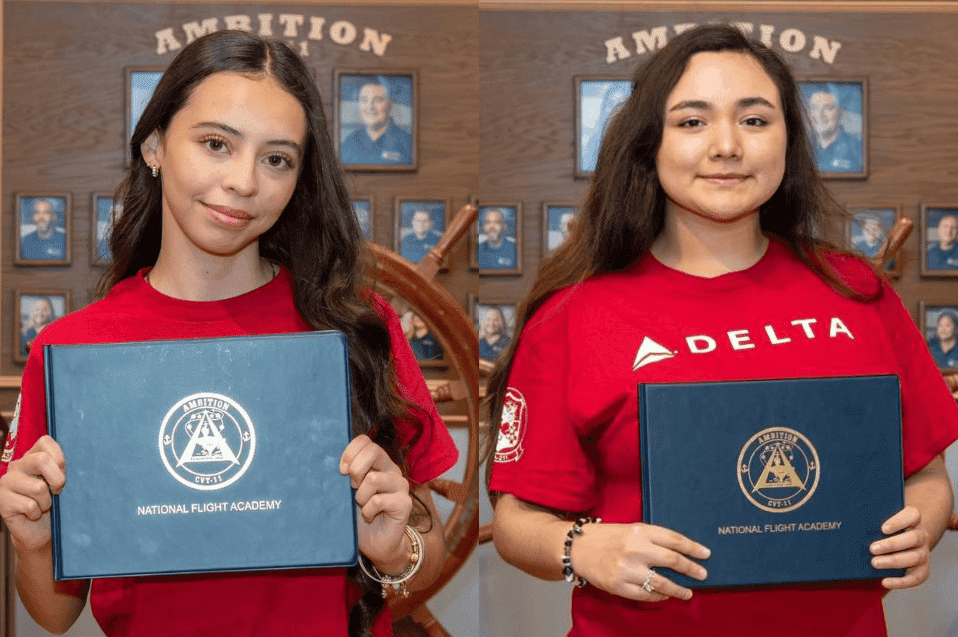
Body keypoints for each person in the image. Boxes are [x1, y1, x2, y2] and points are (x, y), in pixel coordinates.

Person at [487, 25, 957, 637]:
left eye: (756, 120)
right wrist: (583, 549)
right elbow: (517, 519)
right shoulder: (574, 315)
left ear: (789, 140)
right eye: (692, 122)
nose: (728, 145)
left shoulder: (856, 293)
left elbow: (925, 474)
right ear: (649, 144)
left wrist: (920, 522)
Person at [0, 31, 458, 637]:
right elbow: (55, 615)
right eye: (217, 144)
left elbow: (424, 548)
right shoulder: (73, 351)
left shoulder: (357, 325)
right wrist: (32, 541)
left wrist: (395, 551)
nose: (244, 181)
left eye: (276, 159)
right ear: (155, 145)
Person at [340, 78, 413, 165]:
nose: (370, 107)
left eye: (377, 100)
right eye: (364, 100)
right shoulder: (350, 142)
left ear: (390, 105)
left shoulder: (408, 143)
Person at [807, 86, 863, 173]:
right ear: (809, 113)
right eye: (815, 108)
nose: (820, 115)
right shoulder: (801, 147)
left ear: (840, 113)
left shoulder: (856, 149)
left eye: (828, 108)